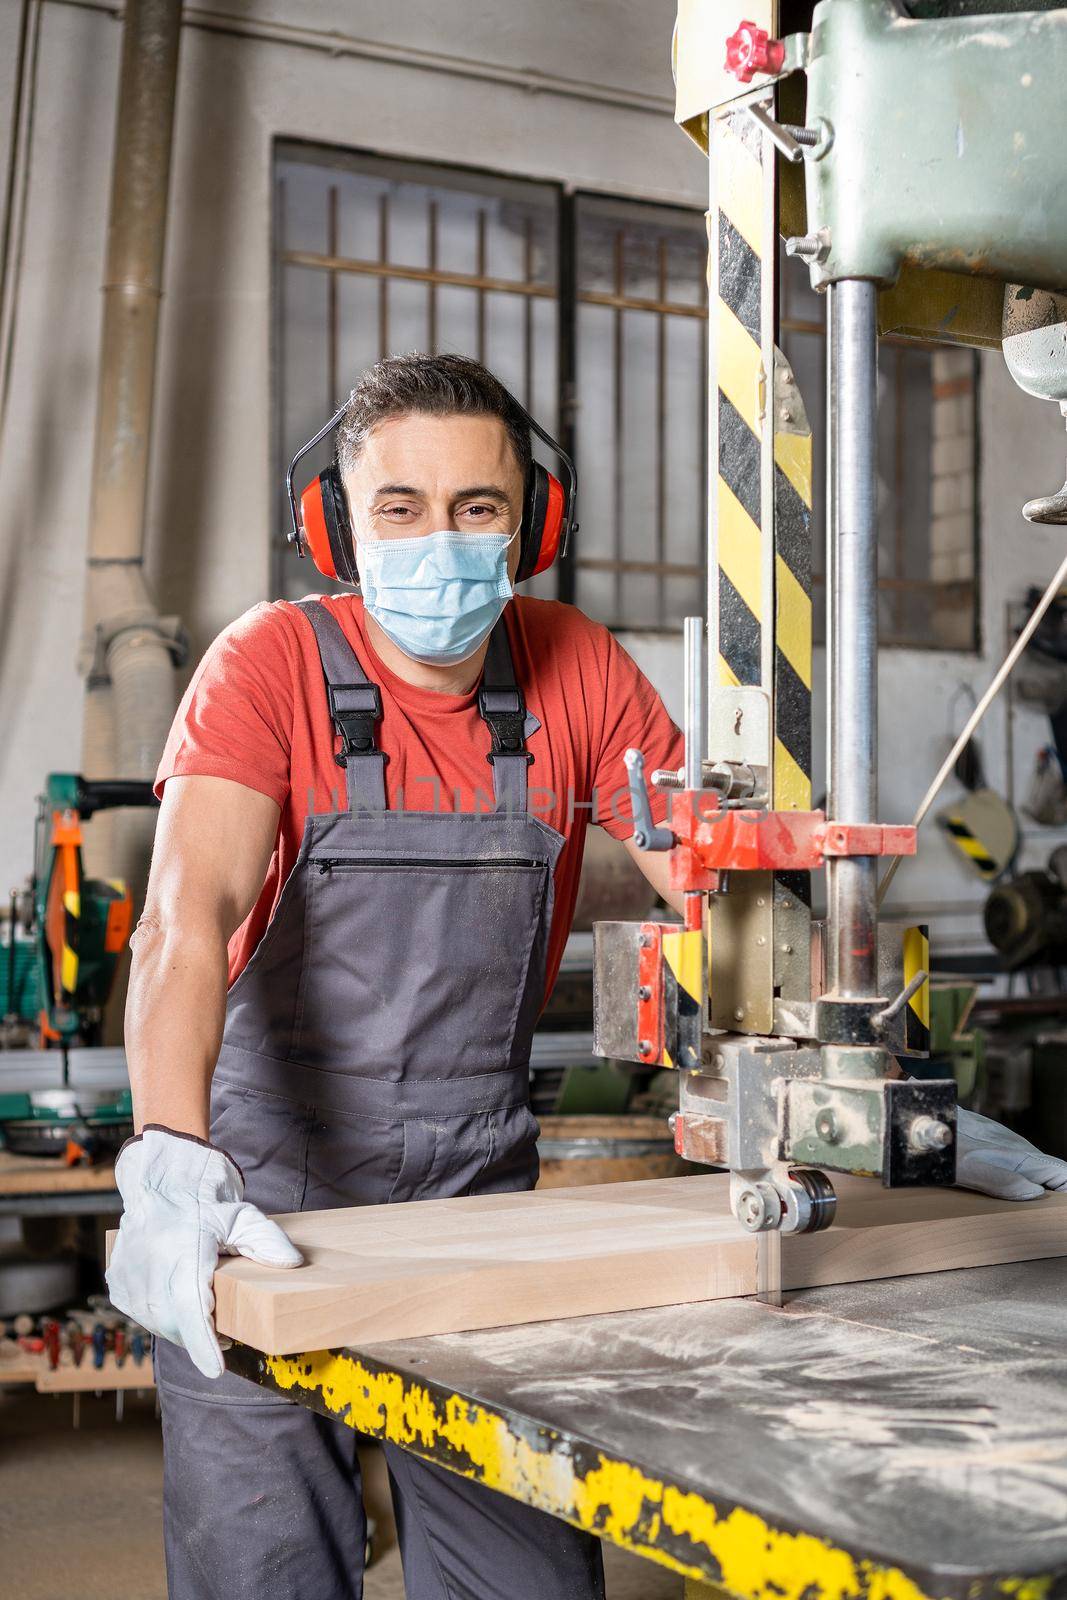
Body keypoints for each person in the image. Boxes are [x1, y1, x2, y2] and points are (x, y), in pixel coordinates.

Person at [107, 353, 1067, 1600]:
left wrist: (885, 1093)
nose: (437, 538)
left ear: (532, 523)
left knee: (529, 1582)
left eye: (477, 508)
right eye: (399, 507)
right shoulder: (266, 666)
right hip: (254, 1204)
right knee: (265, 1571)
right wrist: (170, 1161)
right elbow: (186, 922)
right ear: (338, 522)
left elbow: (721, 891)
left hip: (477, 1204)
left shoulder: (575, 666)